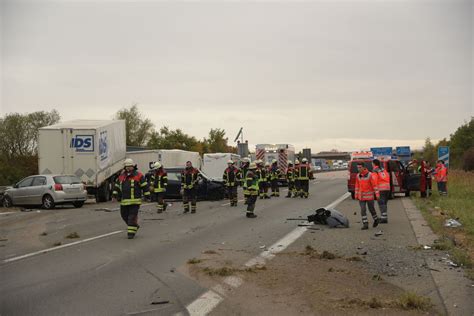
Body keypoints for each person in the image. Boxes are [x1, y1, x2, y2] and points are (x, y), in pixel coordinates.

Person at [112, 158, 150, 239]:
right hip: (124, 202)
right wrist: (114, 195)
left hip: (135, 202)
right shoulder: (121, 176)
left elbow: (145, 186)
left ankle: (131, 233)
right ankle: (134, 226)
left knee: (131, 217)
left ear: (133, 166)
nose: (128, 168)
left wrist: (147, 196)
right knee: (124, 215)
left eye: (130, 166)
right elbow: (117, 187)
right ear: (124, 167)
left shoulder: (139, 175)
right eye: (127, 166)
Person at [355, 162, 380, 230]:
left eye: (360, 167)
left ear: (363, 167)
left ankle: (376, 219)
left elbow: (374, 185)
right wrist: (356, 194)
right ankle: (365, 224)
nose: (358, 169)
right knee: (363, 210)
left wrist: (377, 194)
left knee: (371, 210)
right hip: (361, 197)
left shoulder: (370, 175)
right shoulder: (357, 176)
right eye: (357, 168)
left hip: (369, 197)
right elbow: (357, 186)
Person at [372, 159, 390, 223]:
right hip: (387, 188)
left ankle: (383, 218)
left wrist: (376, 192)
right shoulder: (383, 169)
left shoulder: (375, 170)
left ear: (374, 164)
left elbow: (374, 181)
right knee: (384, 203)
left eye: (372, 163)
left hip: (381, 188)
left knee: (381, 204)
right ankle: (384, 216)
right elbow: (388, 177)